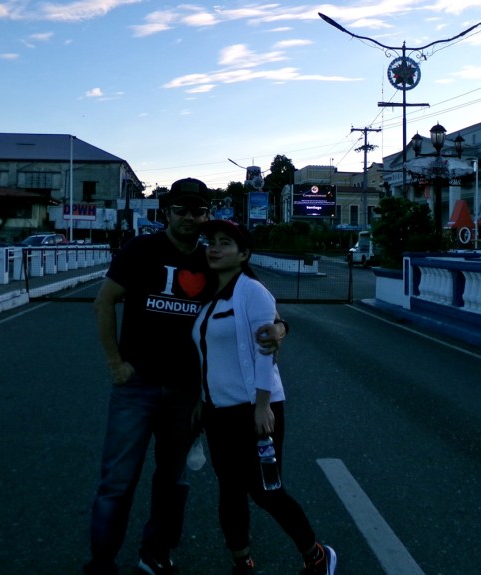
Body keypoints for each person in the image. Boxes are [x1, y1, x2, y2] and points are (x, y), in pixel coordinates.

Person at [84, 178, 285, 575]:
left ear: (208, 214)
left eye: (198, 211)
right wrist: (114, 363)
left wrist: (280, 328)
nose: (190, 218)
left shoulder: (213, 259)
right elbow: (104, 302)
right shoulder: (141, 250)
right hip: (136, 386)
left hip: (187, 394)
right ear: (167, 212)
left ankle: (155, 553)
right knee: (118, 480)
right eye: (181, 210)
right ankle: (102, 563)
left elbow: (264, 308)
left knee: (171, 480)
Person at [192, 219, 337, 575]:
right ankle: (242, 561)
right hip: (217, 412)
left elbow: (265, 349)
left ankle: (316, 555)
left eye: (225, 243)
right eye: (211, 242)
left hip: (253, 410)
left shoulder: (252, 292)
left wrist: (262, 405)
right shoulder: (207, 298)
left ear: (243, 254)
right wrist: (200, 401)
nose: (215, 248)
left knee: (266, 490)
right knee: (229, 490)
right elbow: (208, 357)